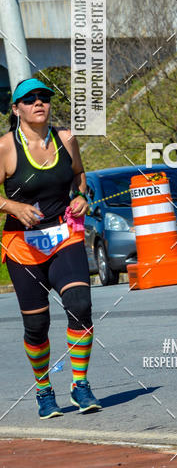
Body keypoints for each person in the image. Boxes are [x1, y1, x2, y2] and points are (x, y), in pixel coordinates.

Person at [0, 78, 102, 419]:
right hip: (23, 248)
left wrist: (79, 196)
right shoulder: (6, 148)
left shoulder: (66, 138)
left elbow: (79, 174)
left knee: (80, 304)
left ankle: (80, 385)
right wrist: (13, 207)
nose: (39, 103)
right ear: (16, 109)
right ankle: (44, 390)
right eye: (29, 100)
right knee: (36, 326)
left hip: (65, 237)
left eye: (44, 97)